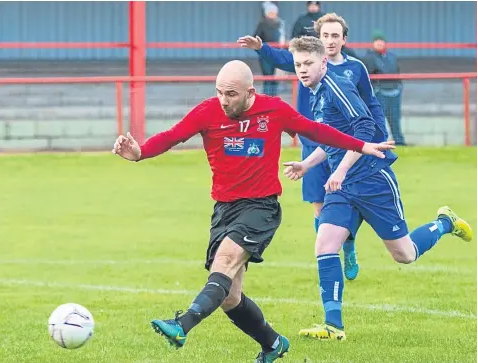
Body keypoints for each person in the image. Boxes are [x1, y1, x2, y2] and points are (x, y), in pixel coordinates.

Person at [112, 60, 395, 361]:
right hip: (224, 210)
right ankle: (273, 344)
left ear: (250, 92)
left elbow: (317, 131)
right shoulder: (208, 111)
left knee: (225, 260)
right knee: (230, 297)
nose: (224, 100)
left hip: (261, 207)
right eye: (220, 92)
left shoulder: (273, 110)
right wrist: (140, 153)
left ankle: (182, 324)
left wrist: (361, 145)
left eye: (231, 94)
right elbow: (173, 135)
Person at [282, 36, 473, 341]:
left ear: (323, 63)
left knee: (405, 255)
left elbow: (365, 128)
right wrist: (307, 165)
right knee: (325, 245)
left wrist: (341, 169)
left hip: (371, 180)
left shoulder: (336, 87)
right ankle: (333, 326)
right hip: (342, 186)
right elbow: (335, 141)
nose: (302, 70)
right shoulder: (316, 93)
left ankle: (445, 222)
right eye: (297, 65)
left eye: (307, 64)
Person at [238, 13, 388, 282]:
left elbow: (371, 104)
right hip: (314, 145)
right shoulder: (306, 64)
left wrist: (378, 134)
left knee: (346, 200)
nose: (329, 41)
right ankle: (329, 254)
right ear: (317, 40)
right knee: (319, 205)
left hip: (347, 149)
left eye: (334, 36)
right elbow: (283, 59)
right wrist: (261, 48)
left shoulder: (355, 68)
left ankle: (348, 245)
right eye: (325, 35)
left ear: (344, 39)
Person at [363, 30, 406, 145]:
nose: (379, 44)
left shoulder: (392, 57)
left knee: (395, 118)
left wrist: (399, 87)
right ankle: (380, 142)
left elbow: (396, 72)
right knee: (378, 119)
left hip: (394, 91)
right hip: (379, 91)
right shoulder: (368, 58)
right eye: (377, 41)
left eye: (381, 41)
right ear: (373, 43)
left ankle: (399, 141)